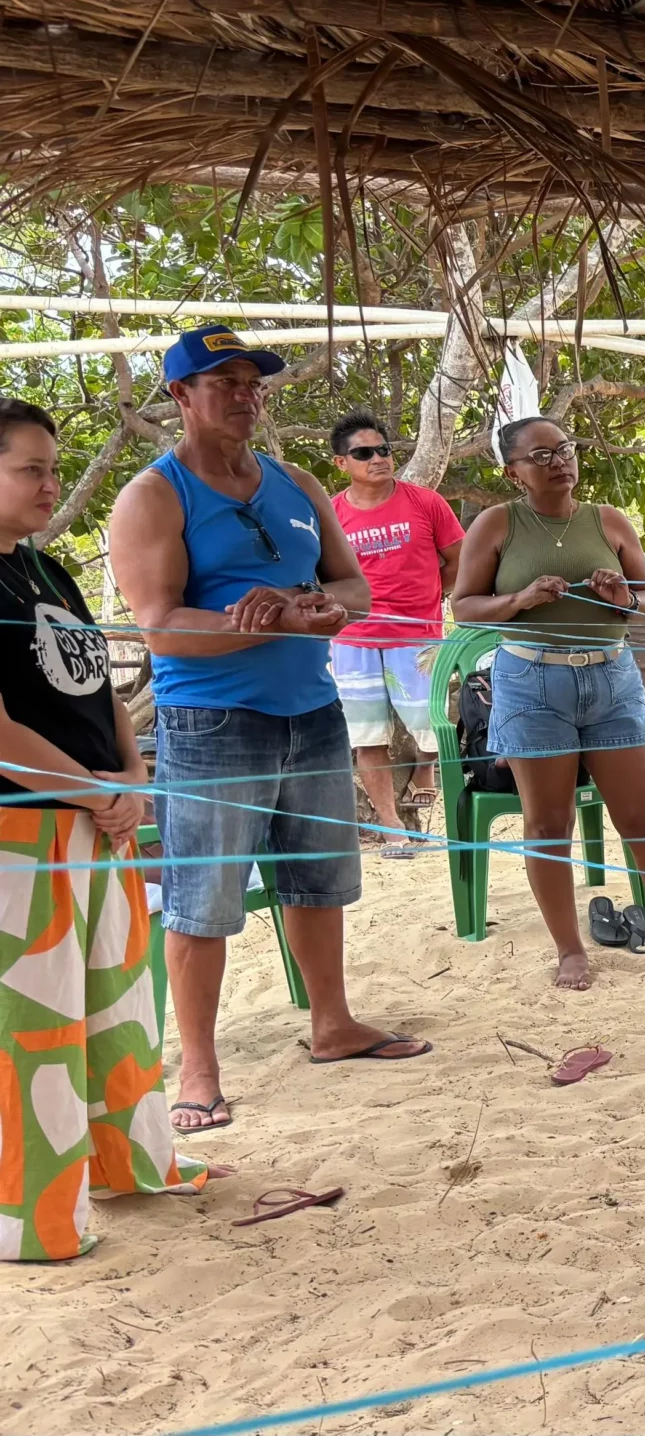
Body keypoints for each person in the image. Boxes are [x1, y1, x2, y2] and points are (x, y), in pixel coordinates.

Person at [107, 325, 430, 1134]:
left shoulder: (296, 481)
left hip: (310, 710)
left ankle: (332, 1024)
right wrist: (264, 623)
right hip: (214, 721)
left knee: (318, 881)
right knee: (202, 901)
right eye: (226, 383)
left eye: (255, 382)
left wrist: (323, 612)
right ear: (180, 396)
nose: (247, 395)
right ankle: (199, 1068)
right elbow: (160, 627)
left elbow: (350, 585)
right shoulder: (156, 493)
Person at [0, 398, 213, 1257]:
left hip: (98, 818)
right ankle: (33, 1215)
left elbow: (99, 690)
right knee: (34, 1026)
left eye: (55, 468)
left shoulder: (45, 572)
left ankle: (126, 1163)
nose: (52, 485)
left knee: (114, 1010)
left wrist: (128, 777)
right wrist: (91, 792)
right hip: (23, 832)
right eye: (31, 470)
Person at [449, 416, 645, 990]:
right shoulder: (498, 524)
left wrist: (623, 597)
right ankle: (571, 950)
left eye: (564, 449)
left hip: (612, 679)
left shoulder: (609, 520)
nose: (559, 462)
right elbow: (464, 607)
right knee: (547, 822)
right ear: (513, 472)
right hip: (530, 681)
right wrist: (519, 599)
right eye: (540, 456)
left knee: (644, 817)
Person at [326, 410, 464, 859]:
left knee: (432, 725)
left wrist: (433, 598)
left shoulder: (426, 503)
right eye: (363, 453)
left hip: (417, 635)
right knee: (367, 737)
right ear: (341, 463)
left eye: (384, 449)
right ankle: (391, 827)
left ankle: (426, 771)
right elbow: (320, 574)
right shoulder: (331, 514)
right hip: (354, 642)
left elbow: (457, 558)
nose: (379, 459)